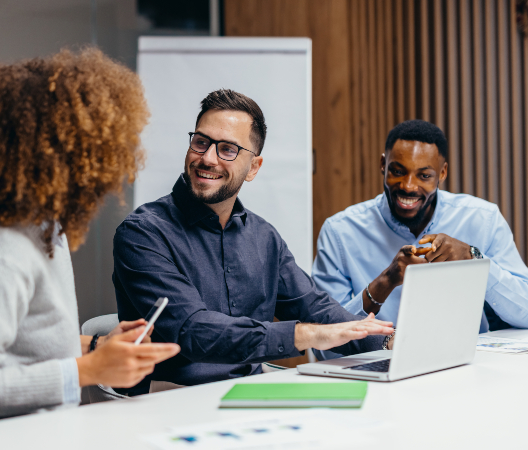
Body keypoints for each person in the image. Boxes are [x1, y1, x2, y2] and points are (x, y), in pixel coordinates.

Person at [0, 48, 180, 432]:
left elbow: (21, 347)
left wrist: (93, 348)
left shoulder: (44, 233)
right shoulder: (1, 254)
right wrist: (85, 370)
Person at [112, 89, 394, 394]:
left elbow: (316, 308)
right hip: (169, 395)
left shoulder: (264, 237)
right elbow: (193, 331)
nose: (207, 158)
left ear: (253, 167)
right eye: (201, 142)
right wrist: (306, 335)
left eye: (227, 149)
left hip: (249, 390)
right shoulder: (142, 233)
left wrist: (389, 342)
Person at [312, 120, 528, 353]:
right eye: (398, 171)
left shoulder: (482, 219)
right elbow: (323, 347)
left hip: (468, 364)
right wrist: (386, 281)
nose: (409, 186)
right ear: (383, 165)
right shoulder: (340, 232)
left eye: (424, 176)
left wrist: (473, 258)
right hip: (376, 366)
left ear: (442, 172)